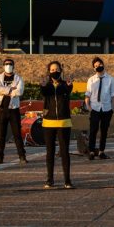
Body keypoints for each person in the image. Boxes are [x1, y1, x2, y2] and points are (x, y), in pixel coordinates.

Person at [39, 61, 74, 189]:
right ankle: (50, 179)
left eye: (57, 69)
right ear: (49, 71)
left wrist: (68, 85)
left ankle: (67, 180)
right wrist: (43, 85)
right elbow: (44, 92)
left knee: (65, 151)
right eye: (52, 69)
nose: (55, 71)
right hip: (48, 122)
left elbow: (67, 89)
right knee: (50, 152)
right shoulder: (46, 85)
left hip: (64, 122)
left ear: (61, 70)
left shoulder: (65, 85)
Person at [0, 58, 27, 165]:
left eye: (10, 64)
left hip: (14, 110)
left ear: (13, 66)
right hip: (2, 110)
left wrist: (7, 90)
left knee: (17, 134)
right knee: (1, 135)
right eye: (6, 64)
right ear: (3, 66)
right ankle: (0, 157)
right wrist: (11, 89)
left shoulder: (18, 78)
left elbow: (20, 91)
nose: (8, 65)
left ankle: (22, 156)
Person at [84, 57, 114, 160]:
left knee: (104, 131)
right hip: (95, 108)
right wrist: (89, 107)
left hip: (107, 109)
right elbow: (87, 94)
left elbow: (113, 95)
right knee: (93, 130)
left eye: (100, 65)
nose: (98, 67)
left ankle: (102, 151)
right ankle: (92, 151)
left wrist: (112, 108)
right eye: (96, 66)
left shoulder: (111, 79)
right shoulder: (91, 80)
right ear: (94, 68)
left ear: (103, 64)